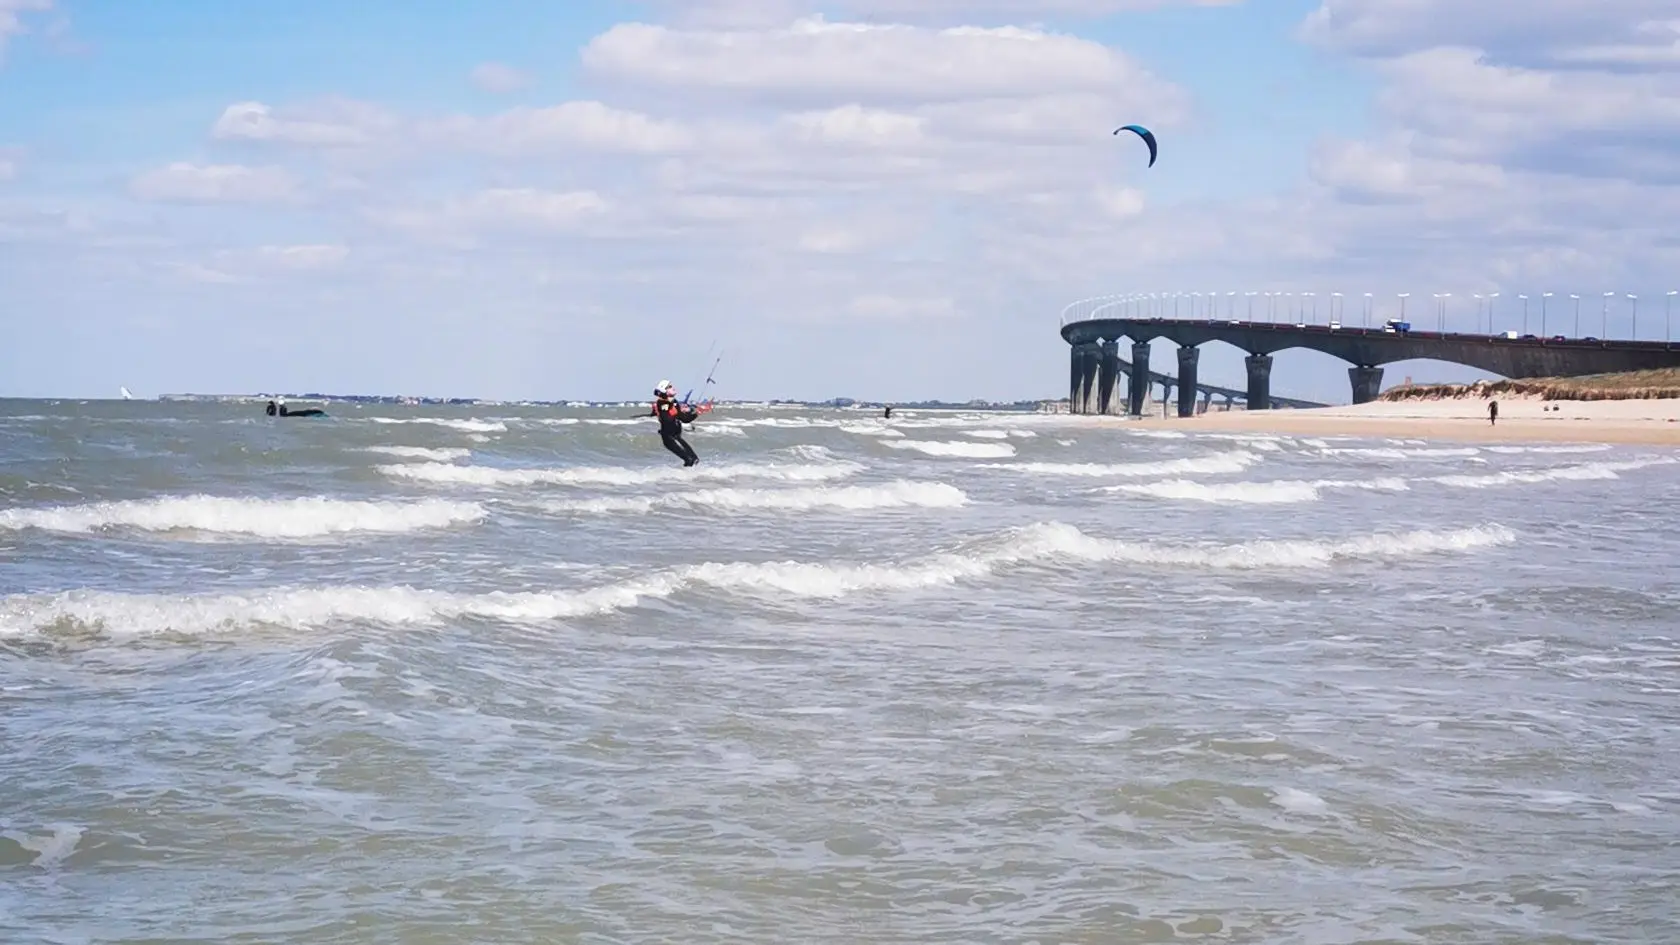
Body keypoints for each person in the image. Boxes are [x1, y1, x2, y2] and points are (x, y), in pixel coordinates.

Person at [651, 380, 702, 466]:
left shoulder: (674, 402)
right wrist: (674, 413)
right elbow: (666, 419)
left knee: (695, 459)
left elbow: (684, 419)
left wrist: (696, 413)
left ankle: (690, 477)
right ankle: (684, 477)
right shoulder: (662, 403)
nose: (673, 387)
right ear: (664, 391)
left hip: (677, 437)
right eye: (669, 387)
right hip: (669, 438)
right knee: (689, 460)